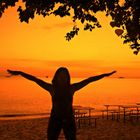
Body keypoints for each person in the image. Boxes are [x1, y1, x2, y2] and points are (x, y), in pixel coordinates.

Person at [7, 67, 116, 140]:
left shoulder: (72, 88)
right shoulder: (52, 88)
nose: (63, 77)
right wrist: (20, 73)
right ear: (57, 77)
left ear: (68, 77)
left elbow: (89, 80)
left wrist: (105, 75)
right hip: (55, 119)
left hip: (69, 119)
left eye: (65, 75)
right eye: (60, 75)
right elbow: (35, 79)